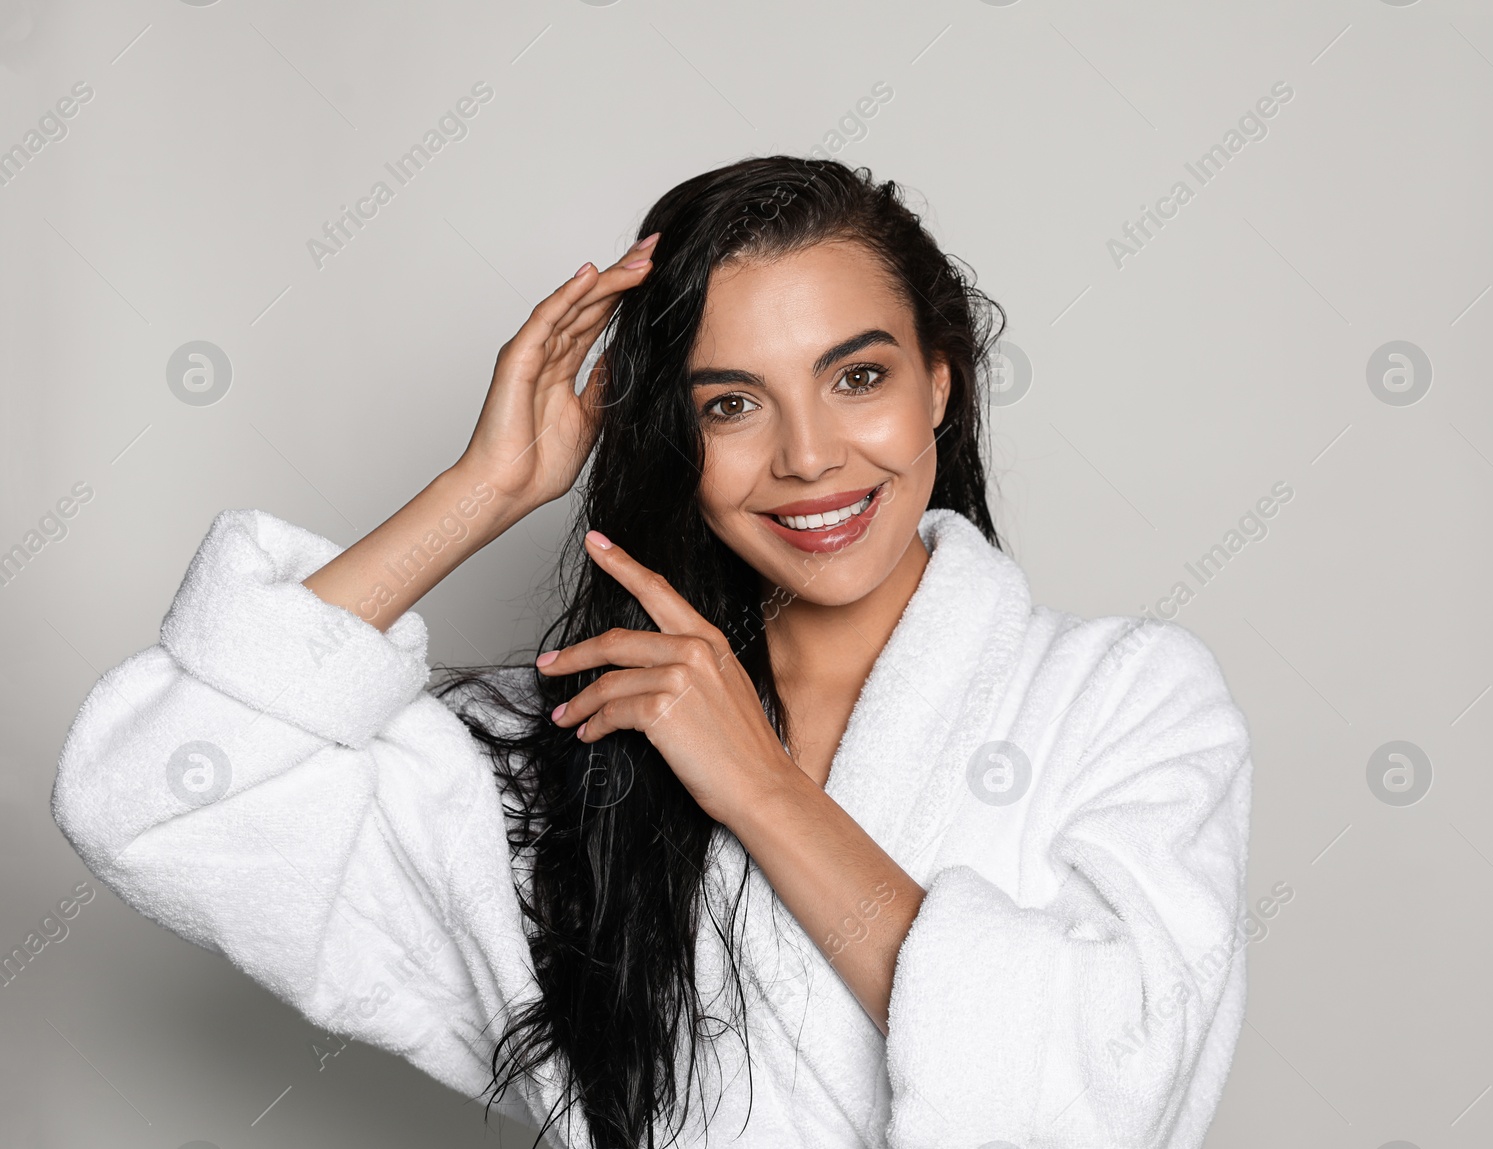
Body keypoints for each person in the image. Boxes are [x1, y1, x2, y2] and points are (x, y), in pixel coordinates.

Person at [51, 156, 1253, 1149]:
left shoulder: (1127, 699)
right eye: (730, 403)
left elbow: (1110, 1101)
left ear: (939, 384)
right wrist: (486, 489)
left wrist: (764, 790)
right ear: (675, 435)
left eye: (859, 377)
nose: (808, 457)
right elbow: (155, 795)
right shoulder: (571, 743)